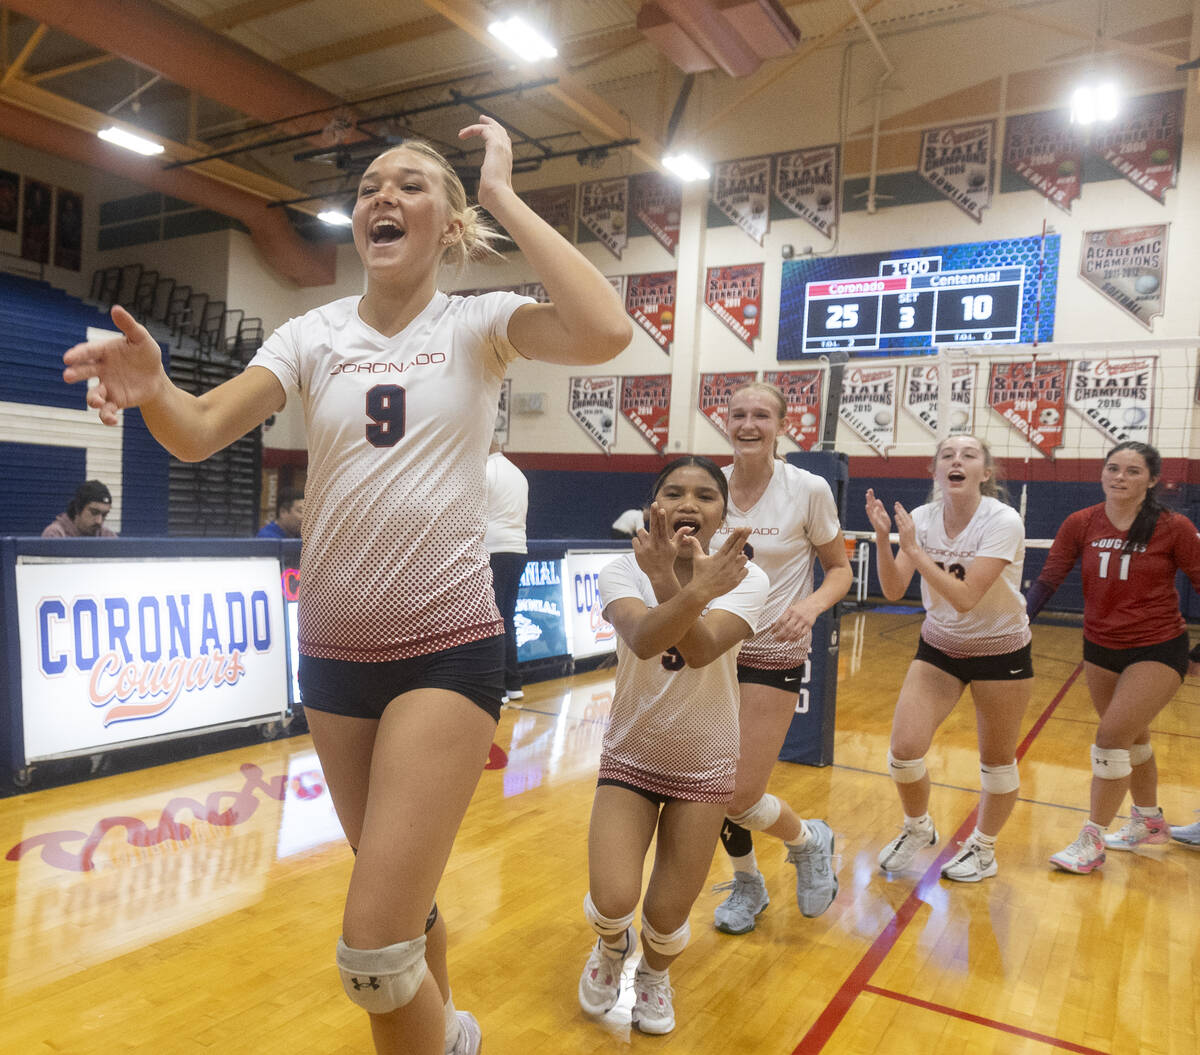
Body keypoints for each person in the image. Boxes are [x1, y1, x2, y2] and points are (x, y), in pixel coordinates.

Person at [62, 116, 631, 1055]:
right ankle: (453, 1037)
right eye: (370, 185)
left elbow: (606, 330)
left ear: (447, 224)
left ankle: (441, 1037)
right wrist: (155, 389)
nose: (381, 196)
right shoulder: (309, 334)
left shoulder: (479, 324)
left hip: (445, 648)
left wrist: (500, 195)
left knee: (370, 949)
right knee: (403, 904)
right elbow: (200, 430)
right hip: (331, 658)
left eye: (409, 184)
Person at [578, 457, 767, 1034]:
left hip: (704, 763)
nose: (689, 504)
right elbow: (643, 638)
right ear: (652, 507)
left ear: (723, 512)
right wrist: (680, 583)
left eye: (706, 495)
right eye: (674, 493)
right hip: (631, 757)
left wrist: (682, 583)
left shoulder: (749, 579)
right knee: (612, 900)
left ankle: (654, 975)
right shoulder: (619, 570)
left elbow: (704, 648)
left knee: (666, 913)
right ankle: (612, 949)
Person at [709, 382, 851, 935]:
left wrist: (811, 606)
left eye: (761, 415)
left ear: (780, 425)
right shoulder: (708, 485)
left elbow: (839, 570)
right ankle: (747, 882)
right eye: (739, 414)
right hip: (712, 649)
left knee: (740, 791)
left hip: (774, 650)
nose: (748, 424)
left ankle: (808, 840)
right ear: (726, 421)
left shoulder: (808, 489)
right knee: (708, 782)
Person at [1025, 442, 1200, 874]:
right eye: (1113, 468)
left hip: (1157, 648)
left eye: (1133, 471)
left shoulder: (1173, 527)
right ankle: (1149, 821)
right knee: (1133, 738)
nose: (1120, 477)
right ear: (1102, 474)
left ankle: (1092, 840)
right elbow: (1049, 578)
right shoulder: (1080, 522)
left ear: (1153, 480)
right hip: (1100, 647)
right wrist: (1019, 623)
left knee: (1109, 739)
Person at [865, 434, 1031, 883]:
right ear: (935, 471)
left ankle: (984, 848)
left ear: (986, 472)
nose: (956, 461)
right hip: (940, 647)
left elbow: (965, 598)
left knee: (997, 761)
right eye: (946, 455)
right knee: (903, 751)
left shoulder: (1002, 519)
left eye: (969, 455)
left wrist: (915, 551)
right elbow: (896, 590)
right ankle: (917, 827)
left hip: (1001, 650)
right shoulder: (921, 517)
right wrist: (885, 540)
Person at [484, 437, 528, 702]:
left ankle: (498, 687)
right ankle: (513, 683)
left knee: (492, 620)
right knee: (506, 618)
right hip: (518, 549)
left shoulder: (486, 471)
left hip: (494, 549)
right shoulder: (519, 474)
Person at [42, 480, 118, 537]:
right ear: (78, 509)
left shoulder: (108, 536)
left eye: (104, 515)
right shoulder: (55, 535)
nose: (99, 521)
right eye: (94, 512)